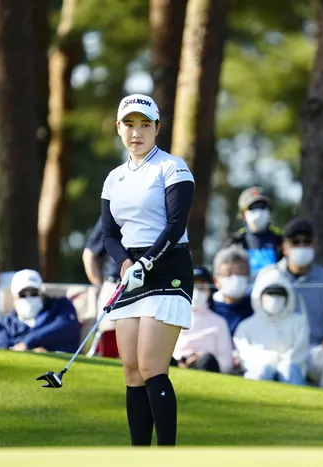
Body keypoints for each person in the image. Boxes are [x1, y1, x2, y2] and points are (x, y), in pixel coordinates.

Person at [100, 93, 195, 447]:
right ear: (118, 128)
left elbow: (175, 224)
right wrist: (126, 263)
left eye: (144, 125)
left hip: (168, 268)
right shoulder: (114, 178)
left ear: (157, 127)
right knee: (132, 371)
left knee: (152, 366)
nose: (136, 132)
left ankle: (166, 455)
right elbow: (109, 235)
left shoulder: (172, 167)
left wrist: (146, 262)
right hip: (133, 272)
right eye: (129, 124)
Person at [257, 218, 323, 391]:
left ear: (315, 245)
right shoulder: (268, 275)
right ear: (285, 247)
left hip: (312, 350)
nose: (301, 246)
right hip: (275, 349)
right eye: (295, 242)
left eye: (306, 242)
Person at [233, 267, 309, 385]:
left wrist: (281, 363)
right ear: (259, 295)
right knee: (262, 371)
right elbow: (245, 354)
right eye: (269, 294)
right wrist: (269, 361)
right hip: (258, 371)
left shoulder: (299, 323)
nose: (274, 299)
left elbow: (299, 352)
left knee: (288, 370)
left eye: (279, 294)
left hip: (289, 373)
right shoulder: (246, 326)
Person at [0, 269, 80, 353]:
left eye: (34, 293)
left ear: (42, 293)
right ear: (14, 297)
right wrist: (28, 350)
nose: (29, 297)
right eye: (23, 294)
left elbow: (66, 325)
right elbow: (0, 347)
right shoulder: (6, 323)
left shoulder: (61, 307)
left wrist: (28, 343)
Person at [172, 266, 233, 374]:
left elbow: (227, 363)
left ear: (210, 290)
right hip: (177, 365)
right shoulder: (171, 318)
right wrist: (182, 361)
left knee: (207, 360)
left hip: (206, 368)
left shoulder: (219, 322)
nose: (196, 291)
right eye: (192, 286)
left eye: (201, 287)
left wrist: (200, 357)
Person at [224, 186, 283, 278]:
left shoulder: (280, 240)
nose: (259, 211)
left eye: (263, 207)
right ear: (243, 214)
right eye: (253, 207)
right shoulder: (235, 242)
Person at [82, 216, 120, 334]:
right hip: (115, 287)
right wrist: (100, 286)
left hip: (153, 290)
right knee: (109, 340)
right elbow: (89, 255)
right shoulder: (114, 212)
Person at [211, 245, 254, 337]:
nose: (235, 278)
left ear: (248, 277)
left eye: (240, 273)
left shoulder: (256, 307)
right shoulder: (209, 308)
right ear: (216, 280)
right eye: (228, 273)